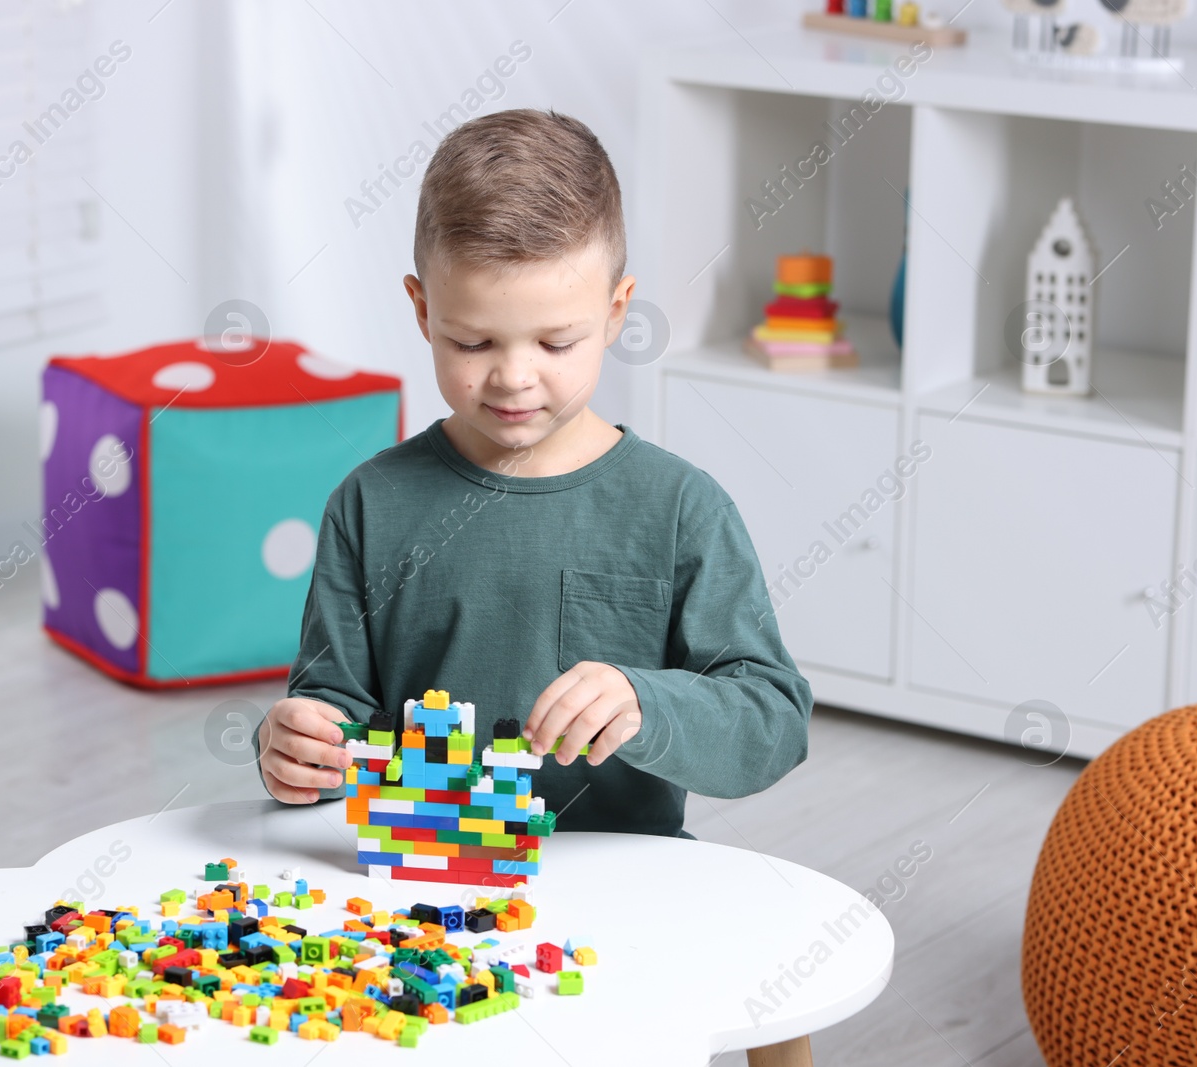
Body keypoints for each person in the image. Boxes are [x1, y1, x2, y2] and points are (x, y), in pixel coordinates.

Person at [253, 108, 811, 837]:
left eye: (556, 342)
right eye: (474, 340)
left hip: (618, 892)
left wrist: (648, 704)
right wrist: (294, 746)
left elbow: (773, 722)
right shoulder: (368, 503)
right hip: (423, 893)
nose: (514, 377)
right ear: (423, 311)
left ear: (616, 312)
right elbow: (334, 711)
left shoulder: (680, 508)